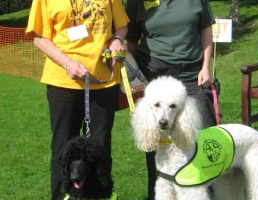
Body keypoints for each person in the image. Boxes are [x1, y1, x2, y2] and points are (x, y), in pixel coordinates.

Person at [26, 0, 129, 199]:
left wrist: (116, 39)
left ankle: (100, 196)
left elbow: (122, 25)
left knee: (100, 149)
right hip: (63, 81)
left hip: (103, 81)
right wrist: (67, 63)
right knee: (62, 149)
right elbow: (38, 36)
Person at [126, 0, 216, 199]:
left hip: (192, 73)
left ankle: (207, 191)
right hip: (153, 74)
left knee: (204, 135)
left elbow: (206, 30)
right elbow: (131, 39)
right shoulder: (137, 2)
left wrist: (206, 66)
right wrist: (129, 75)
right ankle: (159, 193)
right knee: (155, 139)